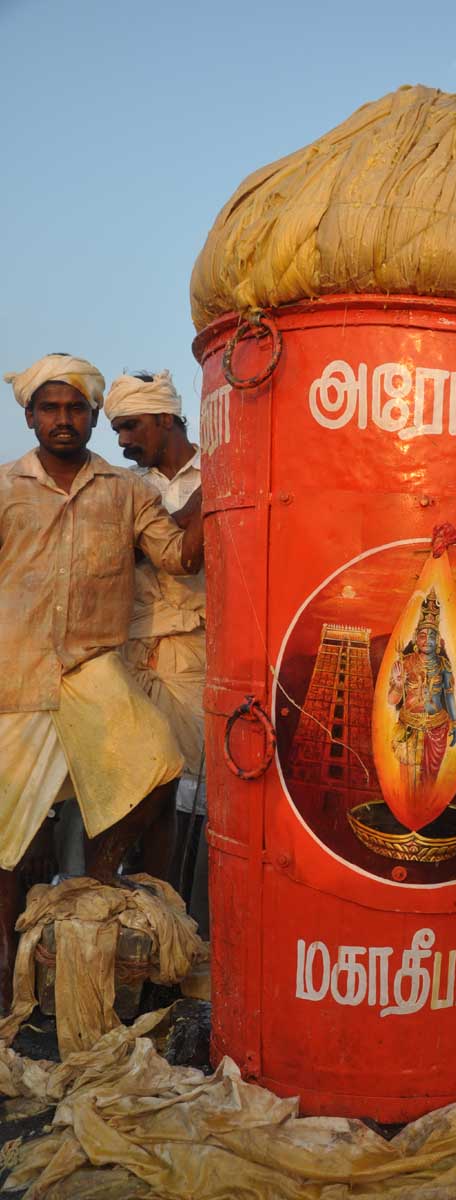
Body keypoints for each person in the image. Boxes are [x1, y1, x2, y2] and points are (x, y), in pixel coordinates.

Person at [0, 353, 204, 1009]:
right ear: (29, 415)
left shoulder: (127, 492)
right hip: (16, 680)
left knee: (159, 768)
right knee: (9, 850)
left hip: (94, 672)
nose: (64, 419)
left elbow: (180, 554)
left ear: (90, 416)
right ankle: (9, 987)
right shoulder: (6, 490)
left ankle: (93, 887)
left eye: (75, 409)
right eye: (50, 408)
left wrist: (232, 467)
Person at [105, 370, 208, 934]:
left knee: (189, 792)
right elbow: (147, 548)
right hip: (131, 648)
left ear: (165, 419)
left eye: (130, 426)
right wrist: (192, 515)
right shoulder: (125, 486)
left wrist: (186, 518)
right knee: (138, 785)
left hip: (195, 650)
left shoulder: (222, 469)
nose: (122, 440)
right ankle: (144, 919)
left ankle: (178, 923)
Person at [388, 587, 456, 790]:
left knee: (428, 785)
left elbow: (450, 696)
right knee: (408, 785)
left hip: (437, 728)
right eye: (422, 635)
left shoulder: (444, 666)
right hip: (409, 728)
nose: (426, 639)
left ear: (437, 640)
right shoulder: (406, 662)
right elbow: (392, 700)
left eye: (431, 635)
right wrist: (398, 684)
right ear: (415, 638)